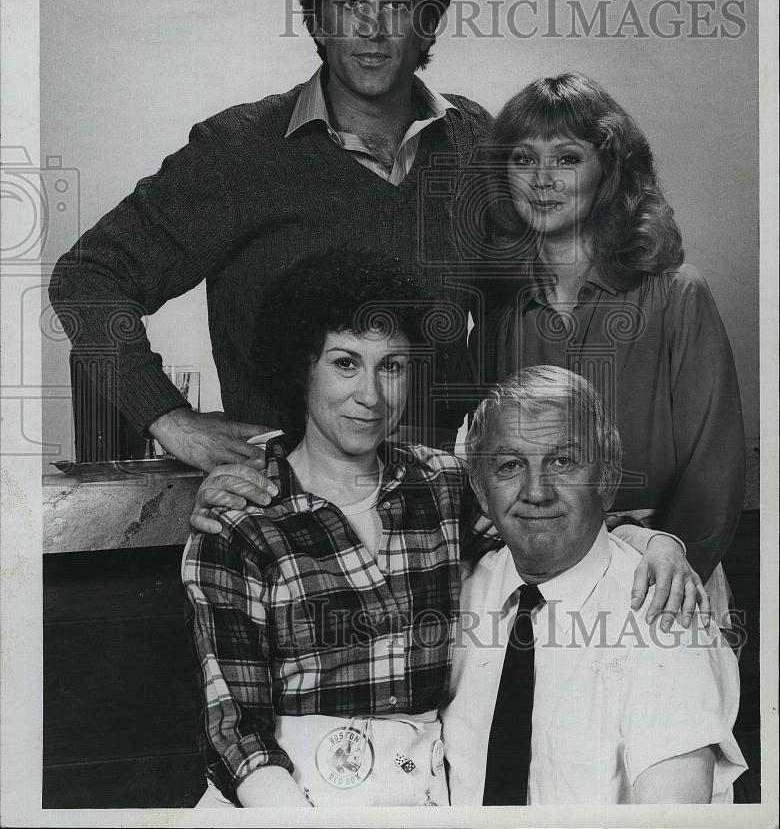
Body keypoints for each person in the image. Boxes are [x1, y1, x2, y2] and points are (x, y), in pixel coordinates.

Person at [182, 250, 706, 808]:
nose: (371, 395)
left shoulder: (437, 486)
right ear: (301, 366)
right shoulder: (239, 521)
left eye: (391, 366)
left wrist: (656, 542)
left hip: (425, 797)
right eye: (344, 363)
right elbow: (234, 731)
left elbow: (553, 522)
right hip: (286, 802)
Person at [49, 0, 491, 470]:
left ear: (428, 22)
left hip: (445, 512)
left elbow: (531, 306)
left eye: (398, 7)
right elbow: (89, 276)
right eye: (351, 4)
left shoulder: (475, 141)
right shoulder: (242, 150)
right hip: (287, 517)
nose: (373, 30)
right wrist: (168, 418)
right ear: (314, 18)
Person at [463, 72, 744, 621]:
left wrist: (673, 550)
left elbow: (715, 467)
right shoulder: (500, 314)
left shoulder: (678, 295)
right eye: (523, 159)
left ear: (609, 170)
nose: (542, 180)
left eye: (567, 158)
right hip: (535, 570)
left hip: (659, 573)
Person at [442, 366, 747, 805]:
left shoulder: (661, 610)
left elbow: (670, 816)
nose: (536, 492)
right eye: (509, 466)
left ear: (606, 478)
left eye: (562, 461)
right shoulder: (460, 589)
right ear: (481, 488)